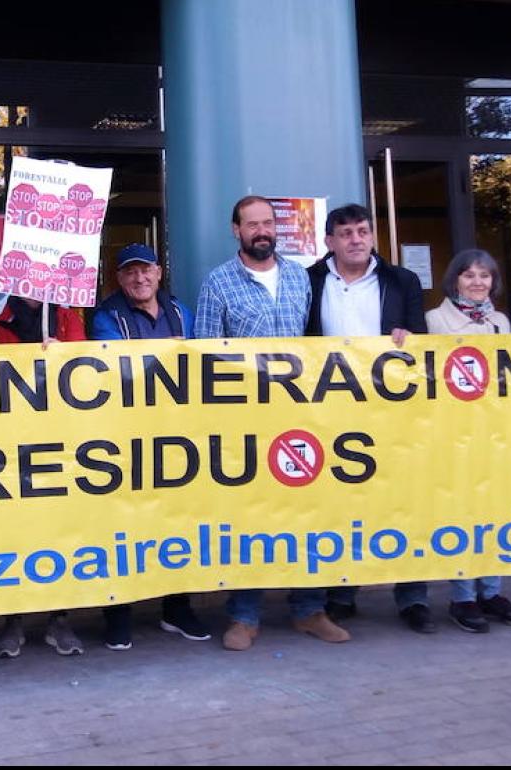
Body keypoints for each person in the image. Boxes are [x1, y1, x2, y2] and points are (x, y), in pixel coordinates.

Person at [195, 195, 350, 651]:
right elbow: (205, 355)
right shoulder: (218, 283)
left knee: (307, 514)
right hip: (244, 422)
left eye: (267, 222)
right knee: (249, 518)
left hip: (299, 419)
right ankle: (244, 616)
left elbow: (311, 344)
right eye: (251, 224)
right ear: (236, 230)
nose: (261, 230)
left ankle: (309, 610)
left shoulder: (301, 278)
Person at [304, 203, 437, 634]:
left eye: (363, 231)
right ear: (329, 241)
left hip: (390, 411)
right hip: (331, 414)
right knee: (338, 505)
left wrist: (408, 338)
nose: (356, 239)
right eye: (346, 233)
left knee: (403, 501)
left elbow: (419, 342)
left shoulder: (402, 280)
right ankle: (342, 592)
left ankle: (413, 597)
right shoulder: (309, 281)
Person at [90, 243, 210, 651]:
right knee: (123, 524)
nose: (139, 279)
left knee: (176, 521)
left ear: (159, 273)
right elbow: (116, 367)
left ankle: (177, 608)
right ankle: (118, 613)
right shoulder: (106, 316)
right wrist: (169, 353)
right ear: (119, 278)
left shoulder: (182, 312)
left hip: (176, 435)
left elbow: (196, 363)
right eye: (130, 272)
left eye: (146, 271)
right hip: (126, 435)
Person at [426, 248, 511, 632]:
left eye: (484, 276)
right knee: (461, 512)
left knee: (494, 509)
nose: (477, 282)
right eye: (469, 275)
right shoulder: (434, 321)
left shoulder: (500, 322)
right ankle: (463, 597)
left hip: (494, 433)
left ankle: (492, 591)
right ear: (454, 278)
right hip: (454, 434)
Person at [0, 294, 88, 657]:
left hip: (59, 437)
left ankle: (58, 620)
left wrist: (65, 355)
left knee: (58, 527)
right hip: (11, 440)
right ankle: (13, 620)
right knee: (15, 530)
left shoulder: (66, 319)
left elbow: (86, 367)